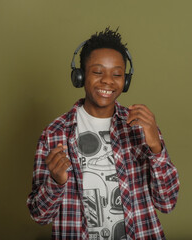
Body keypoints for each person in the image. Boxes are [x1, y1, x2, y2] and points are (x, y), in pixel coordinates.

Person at [27, 27, 180, 240]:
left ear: (125, 81)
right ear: (80, 76)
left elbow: (167, 202)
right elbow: (40, 216)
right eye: (98, 72)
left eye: (117, 74)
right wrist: (56, 182)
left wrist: (156, 148)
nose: (108, 81)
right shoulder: (54, 134)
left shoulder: (140, 127)